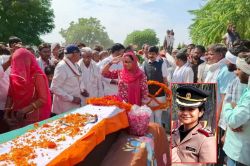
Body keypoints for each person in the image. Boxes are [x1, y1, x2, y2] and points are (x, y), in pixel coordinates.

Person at [4, 46, 51, 130]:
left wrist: (24, 110)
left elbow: (43, 99)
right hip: (16, 117)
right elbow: (10, 95)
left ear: (30, 61)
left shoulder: (38, 75)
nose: (21, 65)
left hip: (35, 117)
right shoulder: (14, 75)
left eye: (23, 62)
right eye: (18, 62)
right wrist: (6, 114)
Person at [172, 85, 216, 163]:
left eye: (191, 109)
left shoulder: (205, 139)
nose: (185, 113)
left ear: (201, 112)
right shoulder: (173, 134)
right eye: (182, 108)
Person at [223, 53, 250, 166]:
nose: (236, 72)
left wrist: (228, 106)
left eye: (239, 69)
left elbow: (234, 121)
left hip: (240, 154)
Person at [51, 44, 85, 115]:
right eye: (79, 53)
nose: (80, 55)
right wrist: (72, 98)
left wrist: (82, 89)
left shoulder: (76, 64)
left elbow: (78, 79)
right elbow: (54, 88)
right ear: (73, 54)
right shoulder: (62, 66)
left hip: (74, 105)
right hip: (64, 107)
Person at [141, 46, 168, 125]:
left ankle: (159, 135)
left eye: (153, 54)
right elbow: (142, 78)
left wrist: (166, 93)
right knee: (150, 116)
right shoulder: (144, 63)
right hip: (148, 94)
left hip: (160, 95)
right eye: (149, 54)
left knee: (158, 116)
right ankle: (152, 135)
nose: (151, 56)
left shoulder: (162, 63)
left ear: (157, 54)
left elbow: (165, 79)